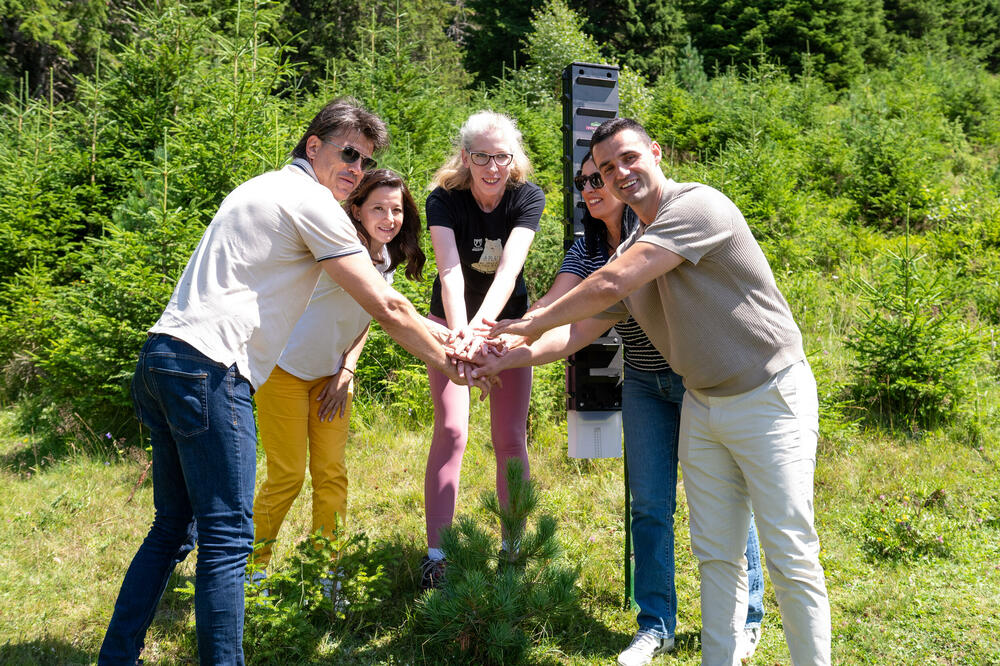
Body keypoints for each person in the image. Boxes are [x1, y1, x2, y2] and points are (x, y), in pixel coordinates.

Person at [99, 99, 480, 665]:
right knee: (228, 540)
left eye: (366, 158)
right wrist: (452, 359)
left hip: (163, 358)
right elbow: (385, 305)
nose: (356, 167)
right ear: (313, 146)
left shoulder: (261, 187)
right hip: (211, 369)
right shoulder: (311, 203)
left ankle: (116, 657)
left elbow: (380, 300)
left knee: (175, 527)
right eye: (348, 153)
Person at [474, 118, 831, 665]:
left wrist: (530, 319)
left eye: (629, 159)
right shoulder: (632, 245)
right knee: (715, 555)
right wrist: (506, 354)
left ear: (656, 153)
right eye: (607, 168)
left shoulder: (696, 207)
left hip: (768, 396)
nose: (620, 175)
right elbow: (581, 330)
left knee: (789, 552)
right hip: (703, 404)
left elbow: (612, 284)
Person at [528, 152, 765, 666]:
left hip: (694, 379)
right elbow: (557, 312)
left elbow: (611, 288)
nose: (591, 188)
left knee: (725, 502)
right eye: (583, 182)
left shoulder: (658, 226)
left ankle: (745, 619)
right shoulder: (586, 248)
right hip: (640, 382)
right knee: (649, 505)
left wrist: (521, 334)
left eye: (600, 177)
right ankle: (656, 626)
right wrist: (504, 344)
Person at [250, 169, 426, 587]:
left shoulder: (385, 262)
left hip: (333, 381)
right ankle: (248, 572)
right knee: (288, 475)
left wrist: (347, 368)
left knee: (332, 474)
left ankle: (323, 574)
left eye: (397, 210)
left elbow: (367, 316)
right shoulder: (336, 248)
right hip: (284, 372)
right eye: (378, 208)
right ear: (356, 211)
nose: (389, 218)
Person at [420, 110, 544, 589]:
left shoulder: (527, 197)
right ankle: (437, 555)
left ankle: (513, 548)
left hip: (505, 327)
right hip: (448, 325)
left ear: (514, 158)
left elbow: (510, 271)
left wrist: (483, 332)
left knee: (510, 437)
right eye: (481, 157)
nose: (492, 167)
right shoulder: (443, 199)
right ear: (465, 156)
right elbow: (449, 271)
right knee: (451, 430)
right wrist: (460, 335)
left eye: (501, 157)